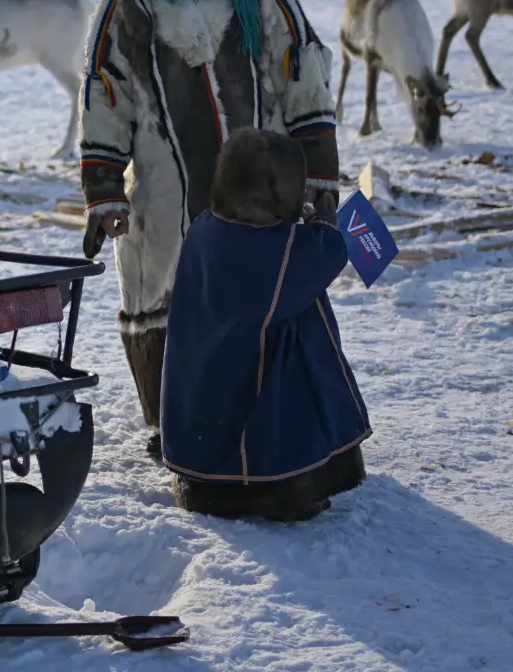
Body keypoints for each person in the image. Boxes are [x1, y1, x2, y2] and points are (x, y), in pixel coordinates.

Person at [79, 0, 339, 448]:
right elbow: (106, 95)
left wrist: (317, 171)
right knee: (165, 289)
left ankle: (272, 415)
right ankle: (178, 425)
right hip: (165, 187)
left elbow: (300, 68)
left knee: (264, 285)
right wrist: (104, 193)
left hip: (263, 178)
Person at [158, 127, 370, 521]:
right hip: (240, 422)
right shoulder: (274, 251)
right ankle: (273, 485)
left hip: (197, 409)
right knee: (295, 345)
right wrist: (324, 219)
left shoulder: (207, 226)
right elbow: (325, 255)